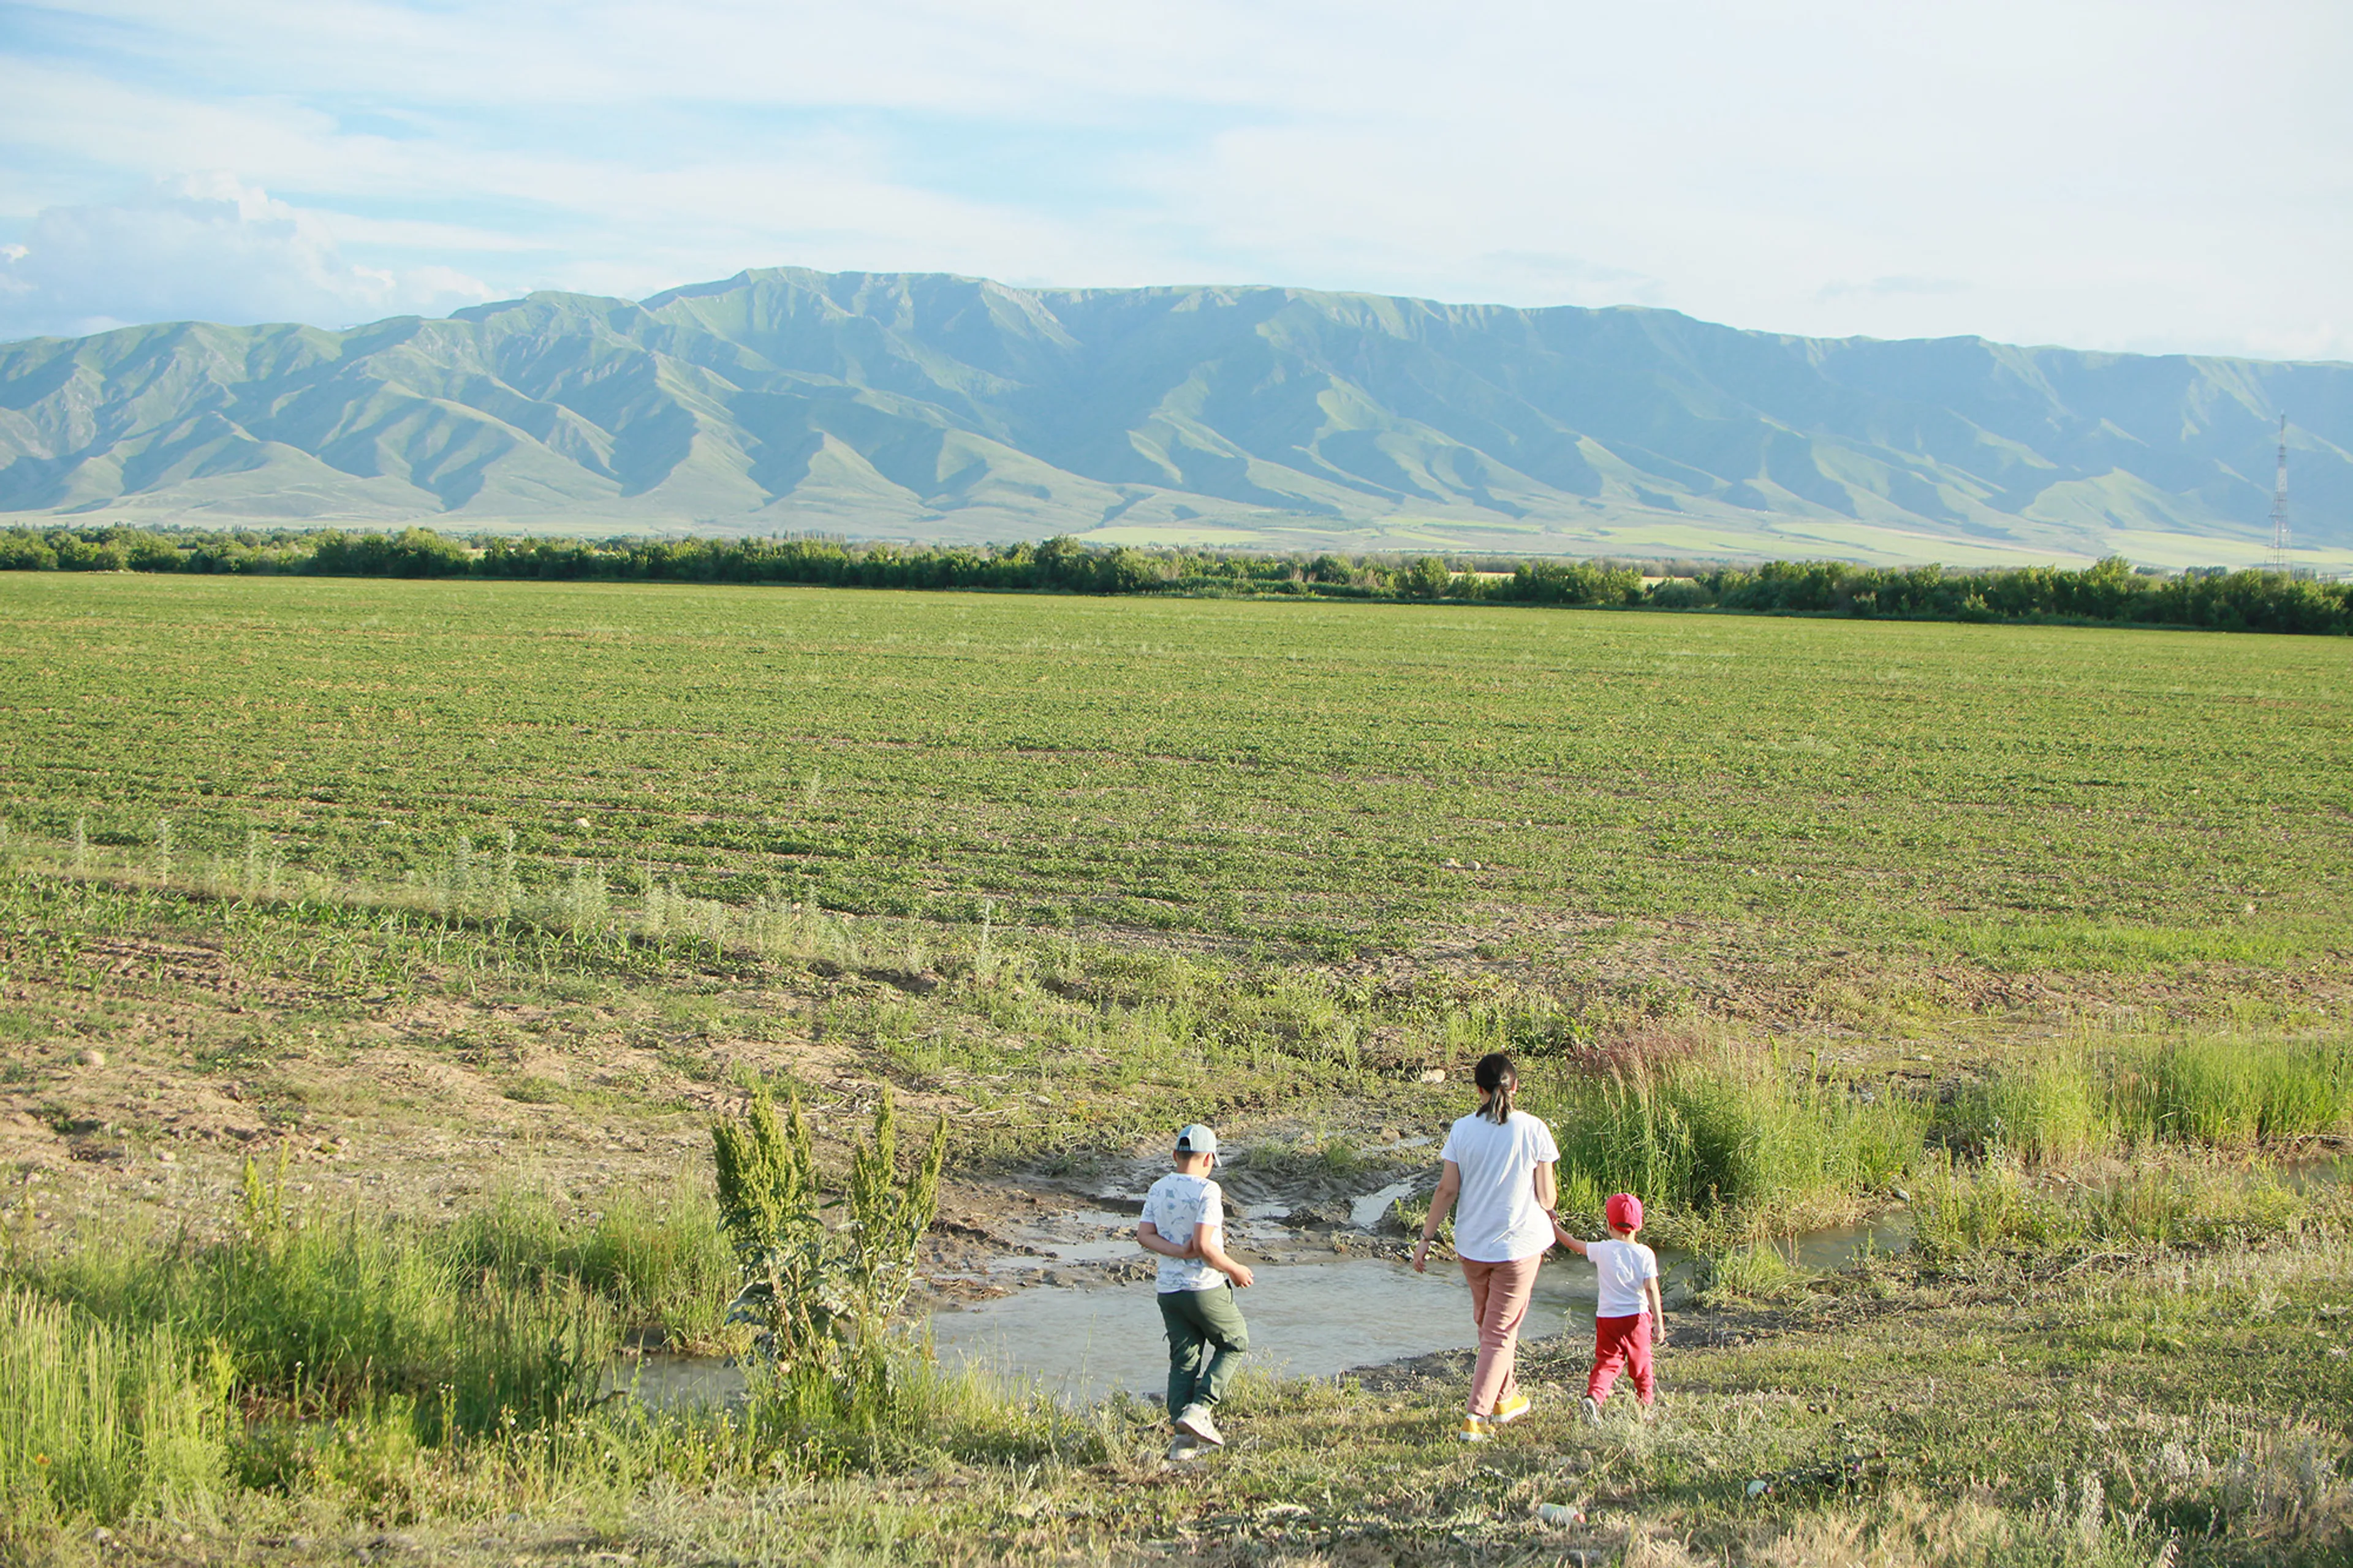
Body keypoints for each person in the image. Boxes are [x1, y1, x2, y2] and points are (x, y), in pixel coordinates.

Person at [1412, 1053, 1559, 1442]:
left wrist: (1425, 1241)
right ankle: (1475, 1417)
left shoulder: (1461, 1130)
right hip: (1519, 1249)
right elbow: (1546, 1196)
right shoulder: (1534, 1128)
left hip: (1473, 1248)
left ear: (1478, 1090)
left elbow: (1446, 1190)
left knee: (1491, 1327)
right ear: (1515, 1087)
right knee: (1498, 1331)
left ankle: (1506, 1398)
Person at [1136, 1122, 1254, 1449]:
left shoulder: (1158, 1188)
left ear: (1175, 1155)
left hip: (1169, 1291)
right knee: (1234, 1343)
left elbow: (1144, 1235)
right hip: (1204, 1288)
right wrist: (1235, 1269)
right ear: (1208, 1161)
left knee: (1184, 1361)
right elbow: (1204, 1246)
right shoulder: (1208, 1191)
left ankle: (1181, 1443)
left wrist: (1177, 1252)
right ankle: (1201, 1409)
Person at [1551, 1191, 1665, 1419]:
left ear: (1609, 1225)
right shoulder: (1645, 1254)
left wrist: (1551, 1223)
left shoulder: (1602, 1249)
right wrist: (1659, 1323)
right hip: (1637, 1318)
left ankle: (1593, 1398)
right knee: (1642, 1364)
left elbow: (1572, 1244)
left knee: (1607, 1362)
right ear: (1639, 1226)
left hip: (1607, 1319)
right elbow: (1651, 1289)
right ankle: (1645, 1405)